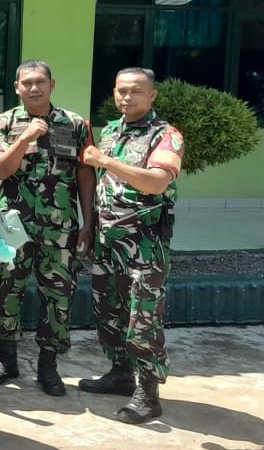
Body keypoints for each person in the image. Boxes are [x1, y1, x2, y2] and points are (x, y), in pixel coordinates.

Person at [78, 68, 184, 425]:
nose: (127, 97)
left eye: (136, 91)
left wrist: (106, 161)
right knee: (108, 312)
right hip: (108, 242)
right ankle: (120, 374)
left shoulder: (165, 135)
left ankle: (148, 394)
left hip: (145, 245)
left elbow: (156, 183)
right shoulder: (110, 131)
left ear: (152, 95)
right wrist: (90, 227)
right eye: (121, 91)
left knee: (143, 320)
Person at [0, 61, 94, 396]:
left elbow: (85, 174)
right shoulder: (3, 123)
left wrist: (89, 221)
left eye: (40, 82)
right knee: (5, 292)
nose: (34, 88)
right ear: (17, 87)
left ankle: (49, 367)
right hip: (13, 228)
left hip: (60, 228)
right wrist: (26, 137)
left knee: (58, 297)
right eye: (27, 83)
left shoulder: (75, 124)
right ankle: (7, 361)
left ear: (52, 84)